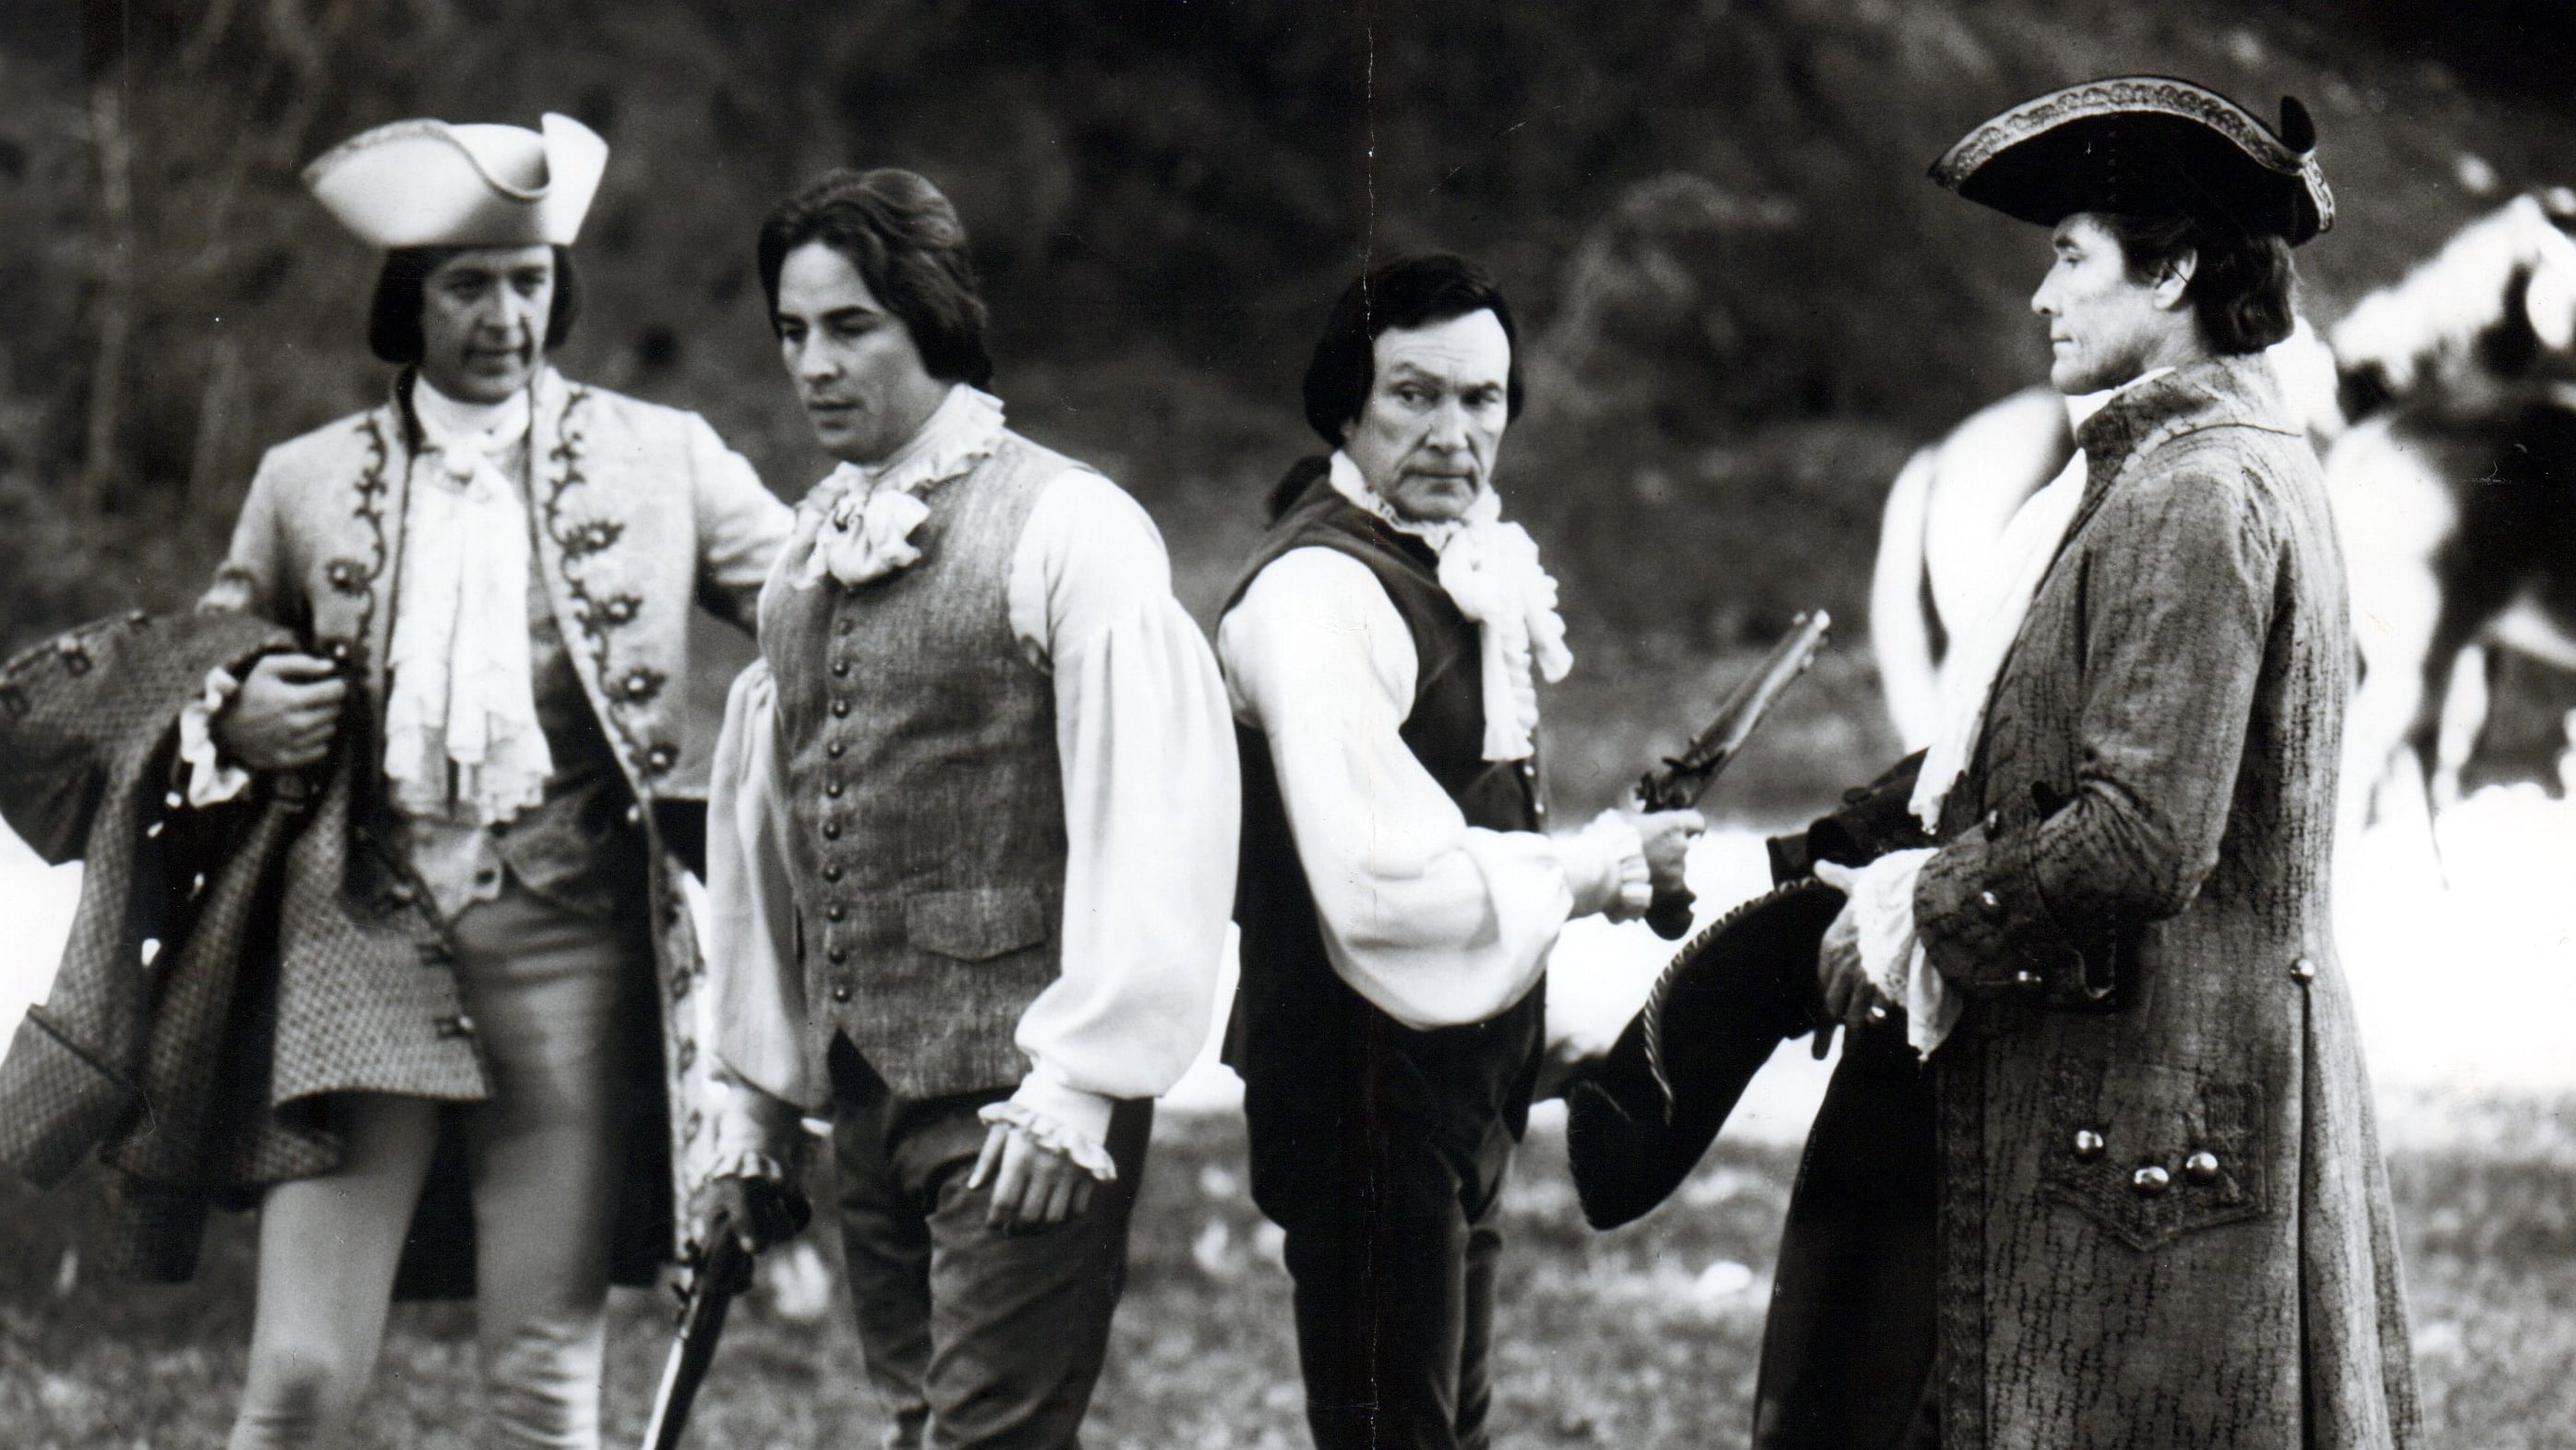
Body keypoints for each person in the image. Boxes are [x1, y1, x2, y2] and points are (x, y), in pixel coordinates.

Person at [1757, 78, 2419, 1448]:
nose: (2040, 295)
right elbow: (2071, 731)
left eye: (2070, 256)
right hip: (2178, 1093)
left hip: (2166, 1117)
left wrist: (1916, 908)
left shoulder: (2193, 491)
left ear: (2171, 271)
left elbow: (2141, 834)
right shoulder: (2187, 463)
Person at [190, 113, 792, 1449]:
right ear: (409, 300)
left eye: (528, 281)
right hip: (359, 948)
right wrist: (237, 710)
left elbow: (812, 604)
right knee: (299, 1373)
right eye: (468, 285)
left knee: (540, 1377)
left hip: (570, 949)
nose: (504, 317)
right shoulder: (303, 481)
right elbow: (206, 658)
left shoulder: (665, 458)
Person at [691, 167, 1238, 1450]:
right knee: (921, 1424)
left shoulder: (1071, 526)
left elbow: (1154, 819)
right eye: (792, 330)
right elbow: (772, 838)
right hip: (865, 1098)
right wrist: (758, 1106)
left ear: (932, 316)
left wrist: (1082, 1083)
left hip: (1021, 1097)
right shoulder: (802, 557)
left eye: (851, 326)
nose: (813, 363)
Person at [1220, 252, 1703, 1450]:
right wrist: (1600, 867)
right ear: (1345, 405)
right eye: (1413, 395)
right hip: (1358, 1088)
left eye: (1481, 398)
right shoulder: (1319, 594)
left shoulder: (1450, 556)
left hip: (1449, 1081)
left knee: (1446, 1429)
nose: (1452, 433)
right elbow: (1384, 884)